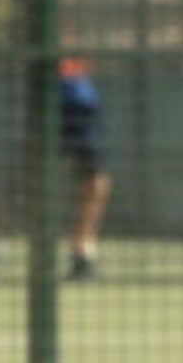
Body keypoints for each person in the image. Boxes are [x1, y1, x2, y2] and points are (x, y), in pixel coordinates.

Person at [58, 58, 112, 280]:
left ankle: (82, 251)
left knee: (97, 183)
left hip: (86, 113)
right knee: (29, 182)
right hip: (56, 108)